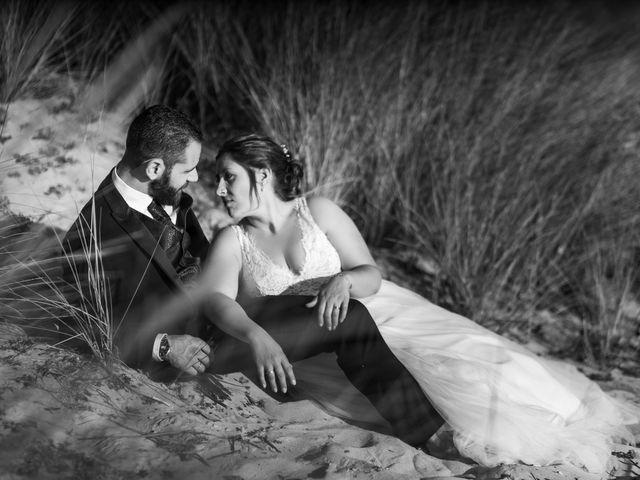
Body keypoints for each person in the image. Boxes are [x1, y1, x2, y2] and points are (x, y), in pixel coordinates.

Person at [202, 133, 637, 473]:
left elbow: (369, 273)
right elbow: (216, 302)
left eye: (229, 176)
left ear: (261, 175)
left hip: (379, 306)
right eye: (218, 179)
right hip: (321, 334)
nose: (219, 188)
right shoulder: (232, 239)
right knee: (437, 376)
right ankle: (438, 435)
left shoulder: (320, 210)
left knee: (479, 358)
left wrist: (344, 281)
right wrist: (255, 334)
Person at [60, 105, 445, 448]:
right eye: (188, 170)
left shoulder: (166, 193)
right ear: (155, 168)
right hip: (192, 349)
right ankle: (428, 436)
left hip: (230, 318)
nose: (196, 179)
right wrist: (163, 345)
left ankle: (426, 432)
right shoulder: (92, 231)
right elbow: (78, 318)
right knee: (351, 321)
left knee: (352, 316)